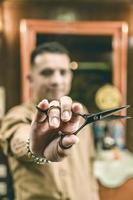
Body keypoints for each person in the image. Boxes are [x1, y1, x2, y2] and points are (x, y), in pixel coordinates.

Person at [0, 42, 99, 200]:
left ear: (70, 76)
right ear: (30, 79)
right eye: (47, 72)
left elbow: (89, 165)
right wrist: (34, 145)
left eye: (63, 72)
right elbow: (18, 138)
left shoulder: (81, 113)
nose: (56, 80)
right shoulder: (17, 115)